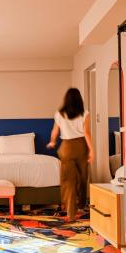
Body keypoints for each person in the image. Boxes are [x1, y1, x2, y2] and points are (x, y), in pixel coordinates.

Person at [47, 87, 94, 221]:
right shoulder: (85, 113)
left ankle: (70, 211)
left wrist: (52, 142)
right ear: (79, 99)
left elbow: (55, 131)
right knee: (82, 178)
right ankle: (80, 205)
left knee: (68, 180)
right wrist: (92, 150)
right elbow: (86, 133)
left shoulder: (59, 114)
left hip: (66, 147)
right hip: (80, 147)